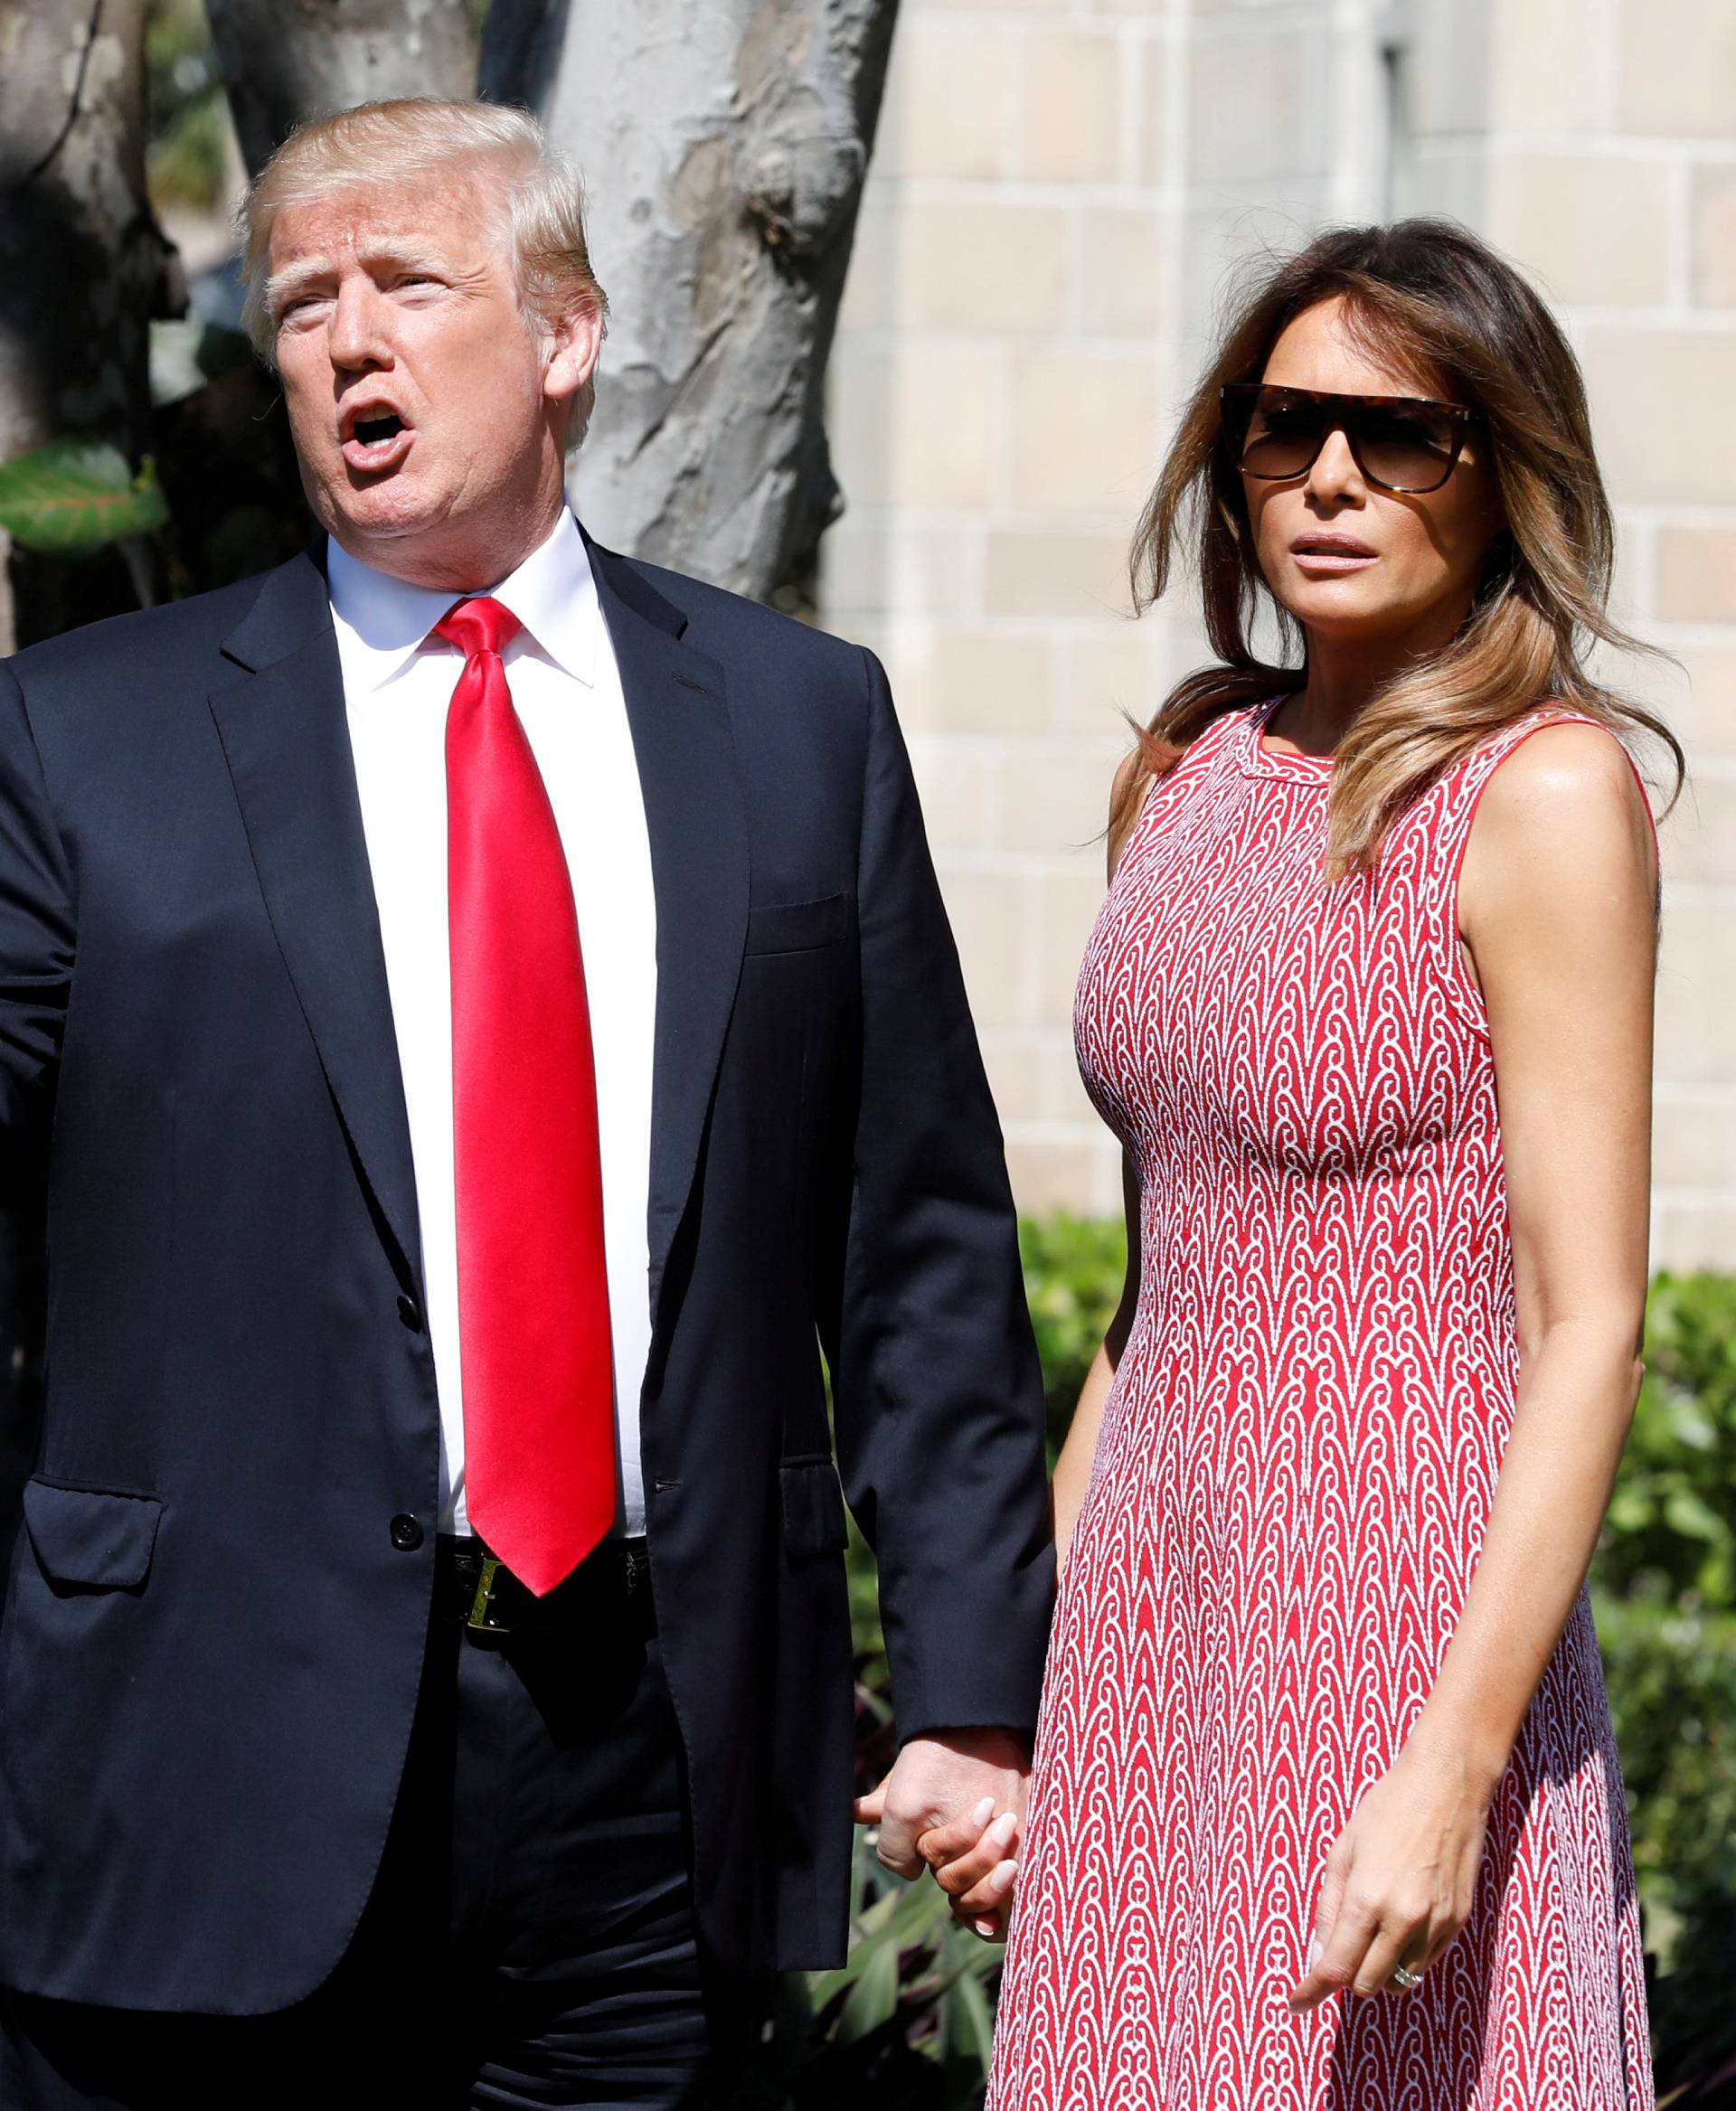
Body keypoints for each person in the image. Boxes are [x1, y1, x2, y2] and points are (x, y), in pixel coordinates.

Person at [0, 98, 1052, 2108]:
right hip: (198, 1756)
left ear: (565, 334)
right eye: (301, 304)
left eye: (407, 285)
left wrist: (978, 1697)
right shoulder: (82, 740)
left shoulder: (792, 725)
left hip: (649, 1770)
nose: (342, 342)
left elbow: (913, 1242)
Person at [961, 221, 1676, 2107]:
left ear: (1500, 468)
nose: (1333, 475)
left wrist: (1456, 1761)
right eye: (1286, 429)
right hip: (1155, 1627)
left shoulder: (1543, 795)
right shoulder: (1187, 770)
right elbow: (1152, 1296)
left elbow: (1589, 1325)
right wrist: (1035, 1685)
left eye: (1401, 434)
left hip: (1405, 1629)